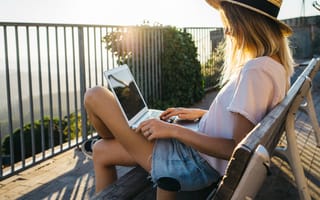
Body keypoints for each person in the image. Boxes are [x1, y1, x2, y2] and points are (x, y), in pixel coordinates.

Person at [82, 0, 294, 199]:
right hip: (197, 153)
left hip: (191, 163)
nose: (227, 31)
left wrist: (173, 130)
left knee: (95, 95)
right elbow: (244, 123)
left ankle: (113, 134)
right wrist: (203, 115)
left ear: (247, 22)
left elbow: (235, 150)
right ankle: (111, 138)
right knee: (101, 151)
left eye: (230, 22)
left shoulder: (255, 70)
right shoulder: (274, 67)